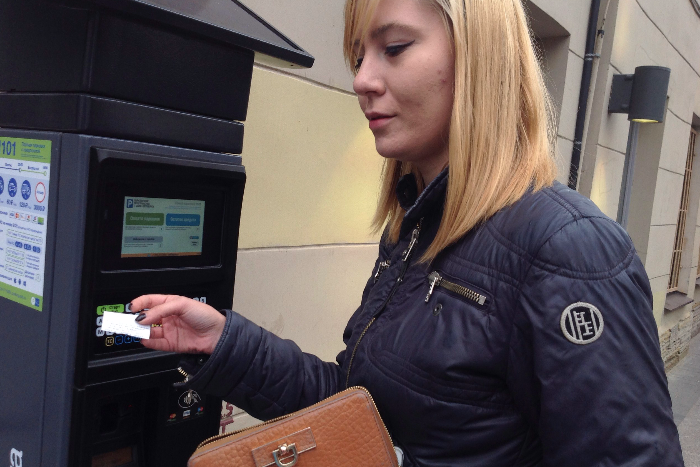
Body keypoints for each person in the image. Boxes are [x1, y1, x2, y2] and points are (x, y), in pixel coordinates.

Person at [131, 0, 684, 465]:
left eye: (393, 48)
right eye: (358, 57)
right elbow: (358, 410)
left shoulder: (569, 248)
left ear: (479, 57)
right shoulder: (414, 227)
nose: (362, 80)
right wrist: (224, 342)